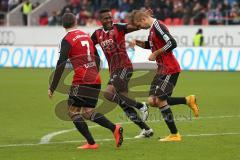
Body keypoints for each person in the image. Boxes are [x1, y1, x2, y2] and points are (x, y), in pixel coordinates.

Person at [48, 13, 123, 149]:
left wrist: (52, 87)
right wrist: (94, 72)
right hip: (95, 78)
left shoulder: (67, 39)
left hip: (81, 80)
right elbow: (97, 57)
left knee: (73, 111)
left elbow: (61, 64)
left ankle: (91, 143)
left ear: (63, 25)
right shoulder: (86, 36)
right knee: (88, 111)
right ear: (75, 21)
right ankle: (114, 128)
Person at [129, 10, 199, 142]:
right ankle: (187, 100)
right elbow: (150, 45)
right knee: (152, 101)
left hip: (170, 69)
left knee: (160, 100)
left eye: (139, 24)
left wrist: (155, 53)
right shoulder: (151, 30)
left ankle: (175, 134)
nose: (140, 27)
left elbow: (172, 43)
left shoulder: (159, 26)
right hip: (161, 70)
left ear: (143, 19)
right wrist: (136, 42)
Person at [91, 8, 153, 138]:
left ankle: (141, 105)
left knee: (108, 93)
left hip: (124, 67)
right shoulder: (97, 34)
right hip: (113, 70)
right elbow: (89, 45)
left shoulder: (119, 28)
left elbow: (137, 26)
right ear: (100, 20)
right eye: (106, 18)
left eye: (110, 17)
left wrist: (143, 17)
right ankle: (146, 129)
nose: (109, 20)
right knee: (124, 104)